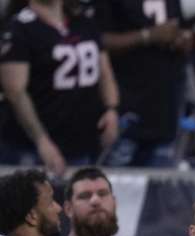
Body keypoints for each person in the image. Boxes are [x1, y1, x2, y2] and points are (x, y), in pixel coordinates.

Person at [0, 0, 120, 175]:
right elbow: (15, 92)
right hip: (31, 147)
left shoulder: (83, 21)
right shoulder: (19, 27)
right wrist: (41, 140)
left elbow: (105, 71)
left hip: (81, 142)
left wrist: (111, 108)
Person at [98, 0, 192, 166]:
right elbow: (98, 39)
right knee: (115, 187)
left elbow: (184, 29)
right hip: (125, 106)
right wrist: (148, 35)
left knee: (161, 189)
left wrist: (183, 39)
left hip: (166, 108)